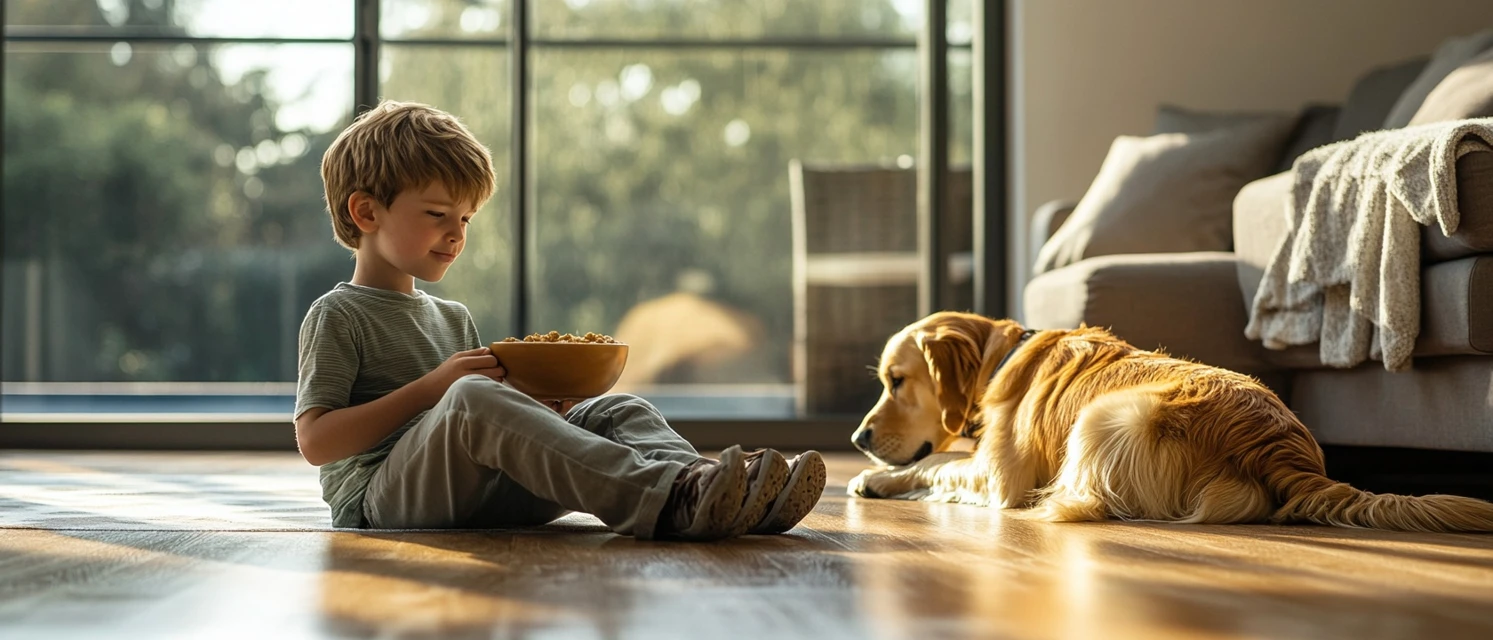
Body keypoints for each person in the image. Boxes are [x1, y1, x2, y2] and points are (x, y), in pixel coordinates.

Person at [292, 100, 826, 540]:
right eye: (437, 215)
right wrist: (435, 387)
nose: (457, 234)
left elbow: (485, 422)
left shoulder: (452, 317)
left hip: (482, 497)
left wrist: (543, 408)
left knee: (615, 408)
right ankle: (664, 501)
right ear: (367, 213)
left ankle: (712, 489)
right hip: (381, 503)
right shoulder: (338, 314)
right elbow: (316, 442)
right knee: (469, 399)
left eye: (466, 219)